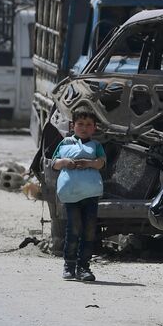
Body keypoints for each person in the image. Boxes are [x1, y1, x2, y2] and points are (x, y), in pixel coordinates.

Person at [51, 106, 107, 281]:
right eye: (80, 124)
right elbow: (54, 163)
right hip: (71, 194)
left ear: (94, 127)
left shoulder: (96, 145)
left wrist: (89, 163)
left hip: (90, 194)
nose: (84, 127)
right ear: (72, 126)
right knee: (74, 229)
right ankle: (69, 264)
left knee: (89, 231)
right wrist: (65, 162)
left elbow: (101, 163)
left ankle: (84, 267)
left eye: (88, 124)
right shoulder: (65, 143)